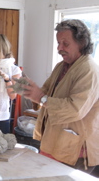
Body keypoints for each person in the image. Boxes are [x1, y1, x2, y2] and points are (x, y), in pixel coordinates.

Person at [22, 19, 99, 174]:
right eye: (58, 43)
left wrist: (41, 98)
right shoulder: (61, 66)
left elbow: (75, 110)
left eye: (65, 43)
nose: (59, 48)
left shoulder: (88, 70)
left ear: (82, 43)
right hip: (54, 142)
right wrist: (27, 89)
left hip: (75, 150)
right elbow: (45, 91)